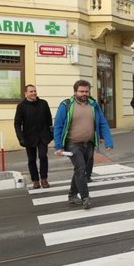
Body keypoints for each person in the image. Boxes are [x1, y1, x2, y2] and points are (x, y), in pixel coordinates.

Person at [54, 80, 113, 209]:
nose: (84, 93)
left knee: (80, 170)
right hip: (72, 144)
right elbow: (58, 126)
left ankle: (72, 195)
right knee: (81, 169)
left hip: (89, 143)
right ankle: (85, 197)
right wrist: (58, 146)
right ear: (75, 91)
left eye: (86, 91)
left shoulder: (93, 105)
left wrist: (108, 140)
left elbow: (102, 122)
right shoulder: (66, 105)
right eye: (81, 91)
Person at [13, 84, 52, 189]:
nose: (34, 93)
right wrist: (21, 138)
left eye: (35, 91)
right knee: (31, 159)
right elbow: (17, 123)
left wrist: (50, 133)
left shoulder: (43, 103)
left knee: (43, 157)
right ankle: (35, 180)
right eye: (31, 91)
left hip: (43, 136)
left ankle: (44, 179)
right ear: (26, 93)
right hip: (29, 138)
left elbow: (49, 120)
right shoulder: (21, 106)